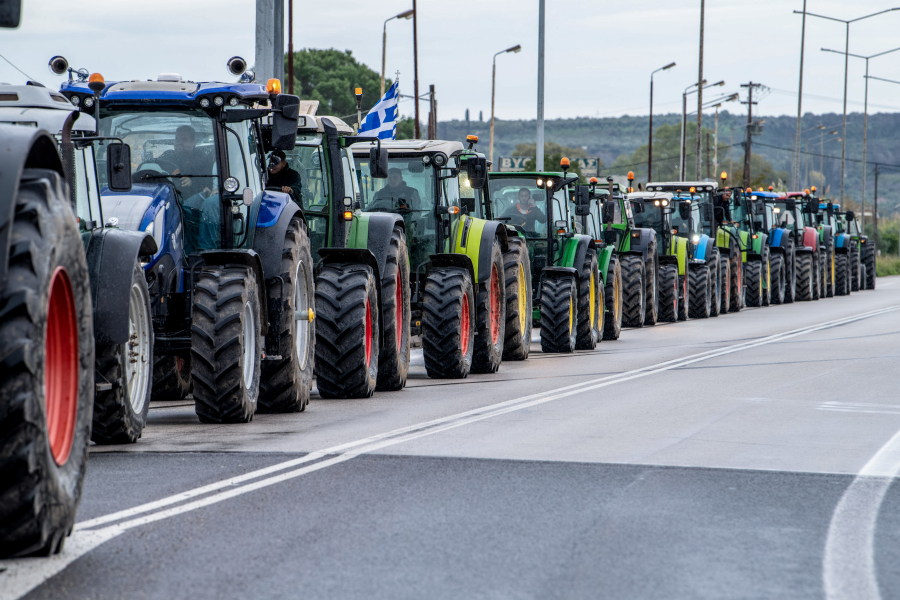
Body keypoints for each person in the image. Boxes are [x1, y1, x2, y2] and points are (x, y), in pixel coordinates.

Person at [158, 125, 214, 197]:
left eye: (184, 140)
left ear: (193, 142)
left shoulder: (202, 159)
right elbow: (155, 168)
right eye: (177, 139)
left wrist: (192, 182)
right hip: (168, 195)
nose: (179, 143)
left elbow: (210, 181)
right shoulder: (167, 156)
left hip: (192, 199)